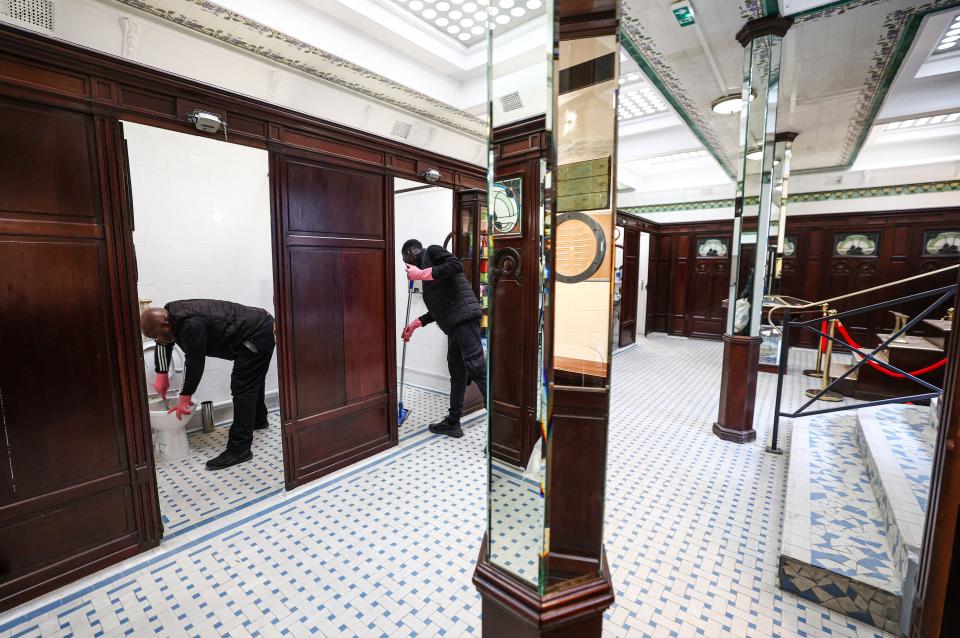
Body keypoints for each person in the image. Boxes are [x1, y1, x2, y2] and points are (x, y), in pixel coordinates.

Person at [140, 300, 275, 470]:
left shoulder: (190, 325)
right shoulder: (170, 315)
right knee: (253, 378)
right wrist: (161, 375)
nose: (156, 340)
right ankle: (259, 420)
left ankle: (240, 449)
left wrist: (185, 398)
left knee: (243, 386)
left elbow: (195, 363)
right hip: (258, 325)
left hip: (258, 331)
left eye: (155, 336)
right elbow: (164, 342)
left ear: (165, 325)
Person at [401, 239, 487, 439]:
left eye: (407, 262)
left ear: (409, 254)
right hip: (454, 325)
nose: (409, 267)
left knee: (477, 369)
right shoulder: (427, 278)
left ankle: (500, 427)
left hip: (464, 320)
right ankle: (453, 423)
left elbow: (456, 265)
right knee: (457, 373)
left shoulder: (432, 251)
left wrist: (421, 273)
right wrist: (415, 324)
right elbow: (437, 310)